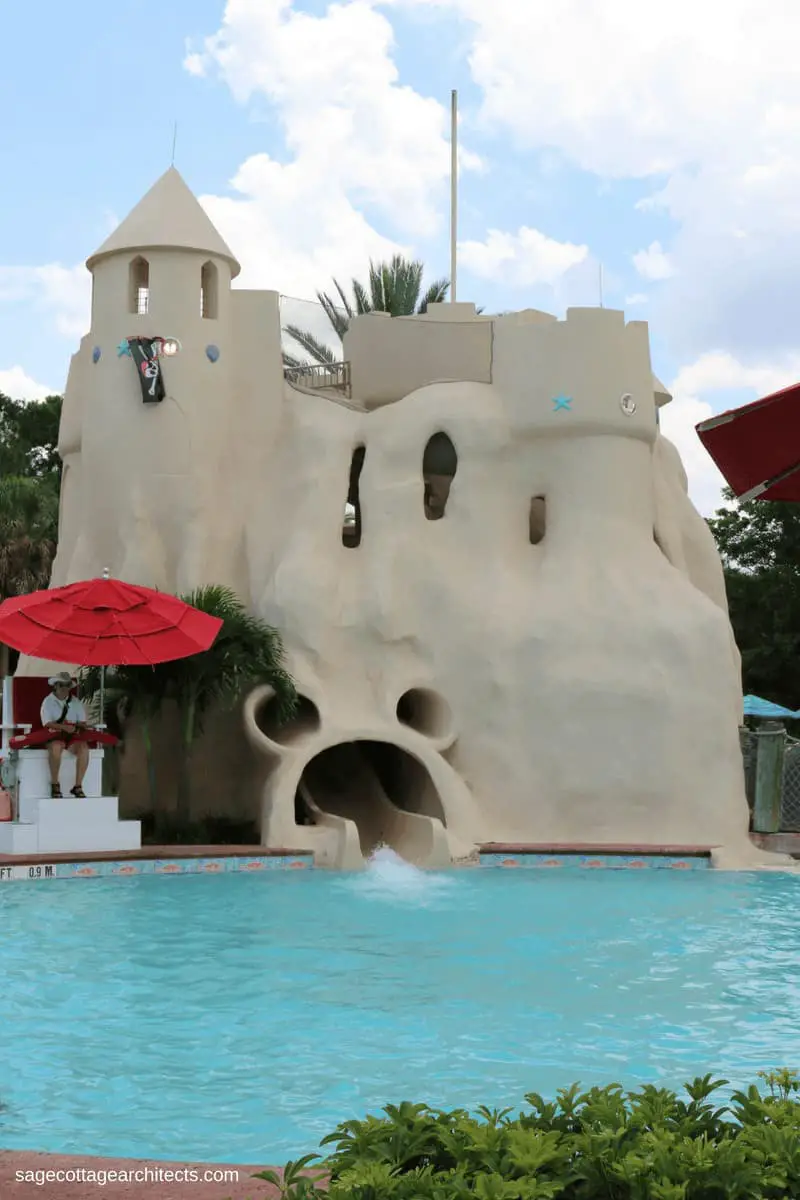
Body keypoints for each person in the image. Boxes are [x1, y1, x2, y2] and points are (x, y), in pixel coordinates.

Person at [41, 672, 91, 799]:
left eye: (67, 685)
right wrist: (63, 726)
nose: (64, 688)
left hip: (72, 735)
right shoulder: (48, 701)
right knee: (56, 747)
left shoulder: (75, 702)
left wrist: (78, 726)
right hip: (55, 734)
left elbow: (83, 722)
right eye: (61, 685)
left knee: (84, 749)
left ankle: (78, 786)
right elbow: (47, 723)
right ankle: (55, 784)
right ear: (56, 686)